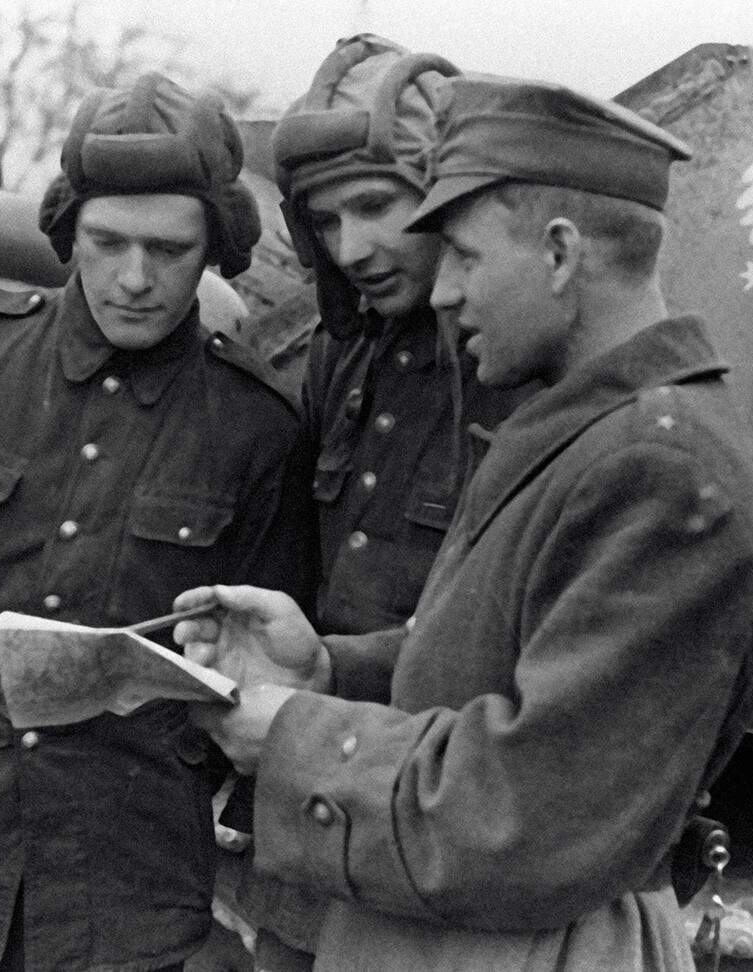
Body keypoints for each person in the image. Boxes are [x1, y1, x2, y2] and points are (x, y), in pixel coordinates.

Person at [175, 74, 753, 972]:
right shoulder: (590, 433)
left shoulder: (662, 474)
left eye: (464, 255)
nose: (445, 292)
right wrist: (329, 666)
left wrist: (295, 733)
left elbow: (532, 808)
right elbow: (506, 660)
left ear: (561, 254)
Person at [0, 73, 313, 972]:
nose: (135, 278)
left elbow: (256, 663)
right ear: (68, 229)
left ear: (215, 249)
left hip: (121, 875)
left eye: (169, 248)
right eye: (107, 241)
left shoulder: (255, 422)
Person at [195, 36, 538, 972]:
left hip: (435, 808)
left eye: (379, 206)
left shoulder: (514, 371)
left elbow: (504, 643)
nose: (353, 248)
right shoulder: (347, 353)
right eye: (327, 218)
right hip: (315, 800)